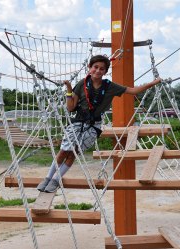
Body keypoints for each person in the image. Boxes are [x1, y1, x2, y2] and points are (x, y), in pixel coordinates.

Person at [37, 54, 162, 193]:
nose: (98, 70)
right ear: (89, 68)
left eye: (101, 68)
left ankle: (56, 179)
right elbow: (71, 108)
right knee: (63, 151)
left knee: (73, 153)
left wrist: (153, 83)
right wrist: (69, 90)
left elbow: (133, 91)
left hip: (93, 125)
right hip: (78, 122)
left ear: (105, 71)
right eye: (95, 67)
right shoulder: (82, 84)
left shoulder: (110, 86)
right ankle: (48, 178)